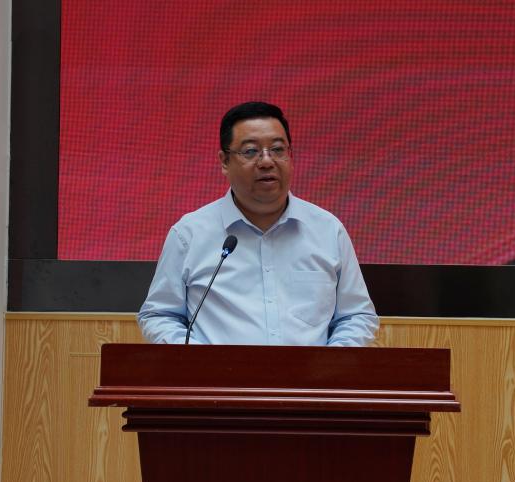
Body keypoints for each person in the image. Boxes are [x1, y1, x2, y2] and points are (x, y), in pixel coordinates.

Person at [138, 102, 379, 346]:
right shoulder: (189, 234)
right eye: (251, 151)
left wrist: (330, 362)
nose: (266, 161)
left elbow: (356, 316)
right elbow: (160, 315)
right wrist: (202, 361)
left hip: (310, 372)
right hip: (218, 372)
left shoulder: (327, 230)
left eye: (277, 149)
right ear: (224, 161)